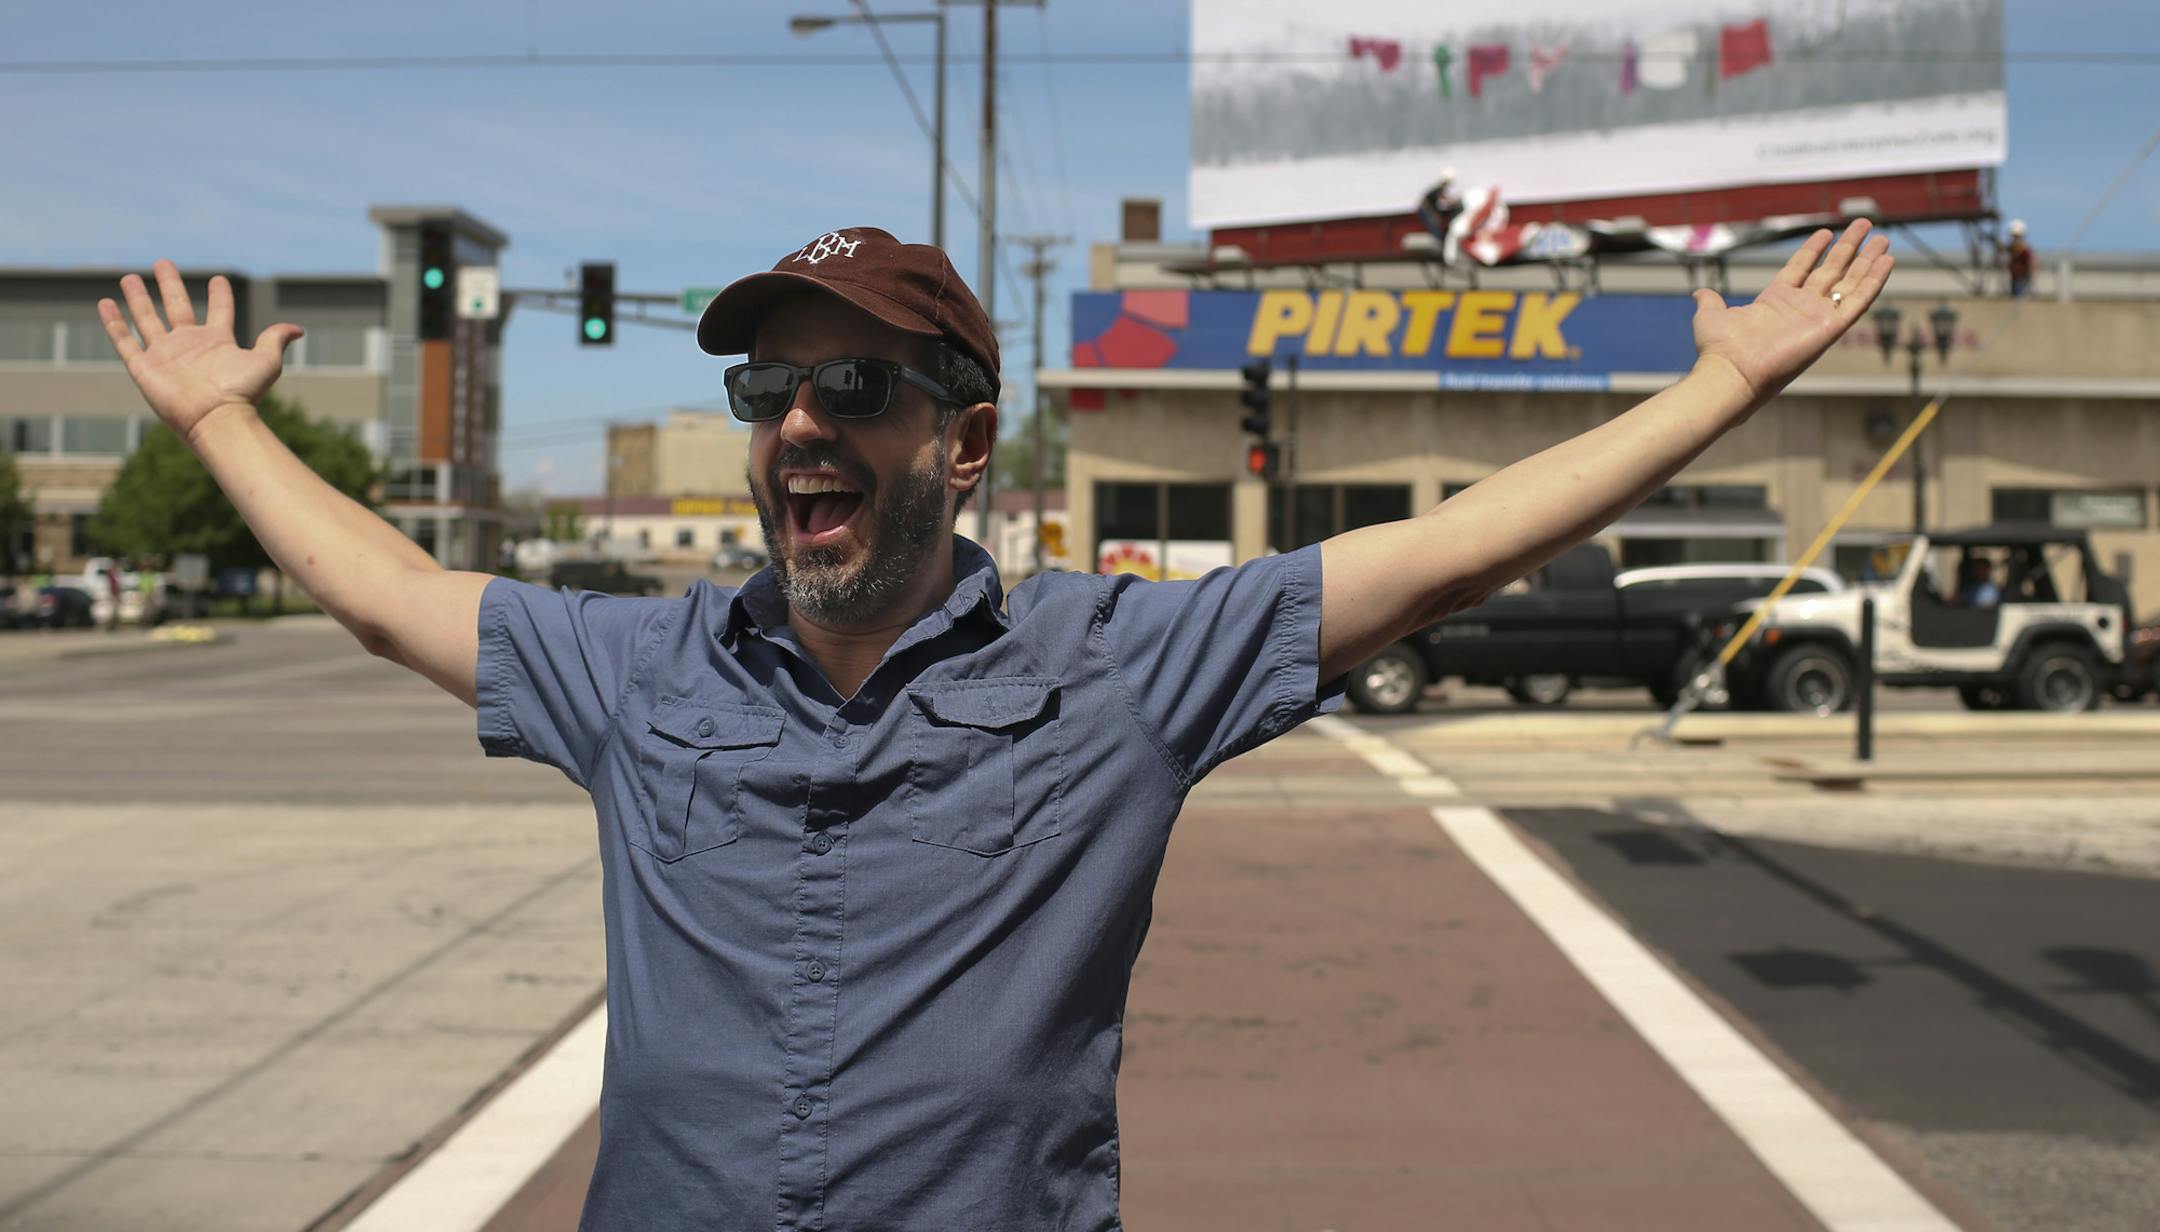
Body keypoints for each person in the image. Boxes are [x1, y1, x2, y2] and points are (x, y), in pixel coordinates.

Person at [96, 219, 1893, 1229]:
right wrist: (218, 427)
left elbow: (1430, 563)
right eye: (769, 384)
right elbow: (385, 595)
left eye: (853, 384)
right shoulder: (641, 676)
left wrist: (1720, 387)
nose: (800, 421)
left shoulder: (1118, 670)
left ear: (962, 443)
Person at [2005, 218, 2034, 298]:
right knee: (2016, 294)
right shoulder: (2014, 247)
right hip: (2015, 274)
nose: (2014, 238)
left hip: (2021, 274)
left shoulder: (2023, 248)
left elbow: (2028, 260)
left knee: (2019, 294)